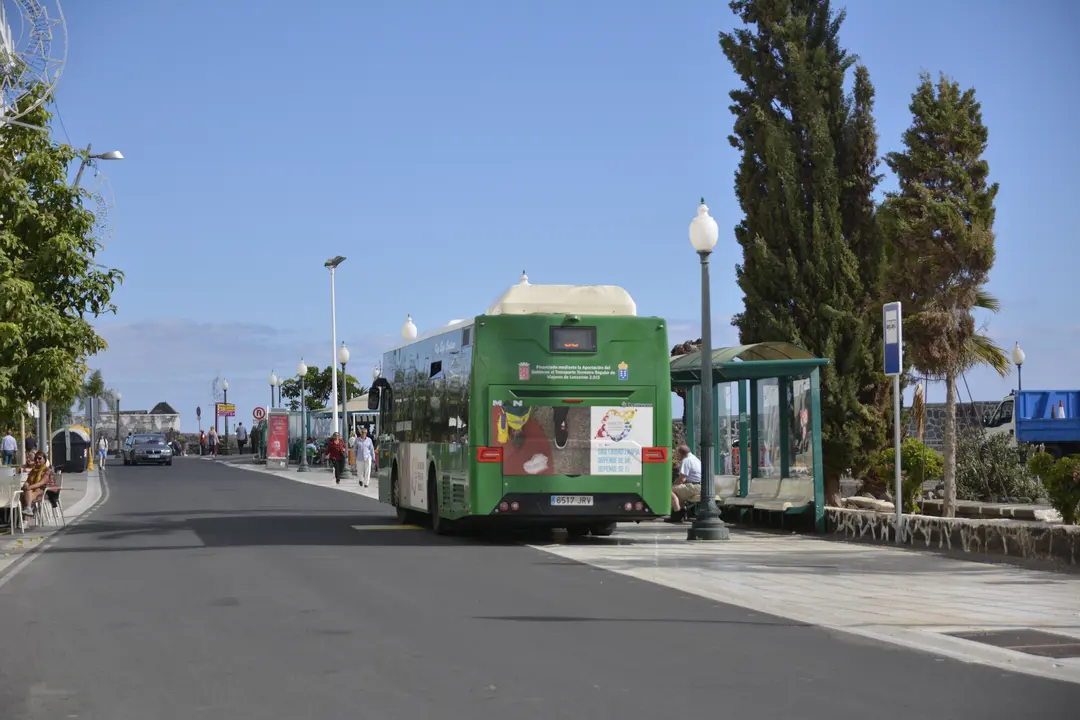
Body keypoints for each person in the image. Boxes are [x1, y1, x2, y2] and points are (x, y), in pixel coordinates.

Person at [668, 444, 702, 523]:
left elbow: (682, 479)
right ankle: (680, 514)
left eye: (678, 454)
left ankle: (677, 511)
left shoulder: (686, 460)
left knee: (668, 490)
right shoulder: (695, 459)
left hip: (693, 486)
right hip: (698, 486)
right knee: (679, 491)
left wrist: (672, 485)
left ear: (681, 453)